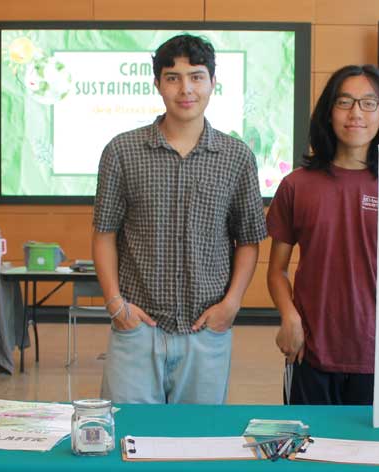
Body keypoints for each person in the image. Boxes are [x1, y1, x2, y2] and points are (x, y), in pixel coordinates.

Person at [92, 34, 266, 404]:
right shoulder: (122, 151)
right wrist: (115, 304)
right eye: (173, 78)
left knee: (197, 444)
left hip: (206, 330)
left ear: (212, 83)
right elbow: (105, 233)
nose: (185, 89)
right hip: (137, 329)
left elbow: (248, 241)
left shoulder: (237, 157)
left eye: (197, 77)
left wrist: (231, 305)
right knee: (127, 439)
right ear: (157, 84)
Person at [265, 65, 379, 405]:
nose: (356, 113)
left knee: (373, 456)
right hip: (311, 353)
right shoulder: (297, 185)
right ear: (328, 113)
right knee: (309, 452)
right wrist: (289, 317)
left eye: (369, 103)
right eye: (345, 102)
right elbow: (276, 271)